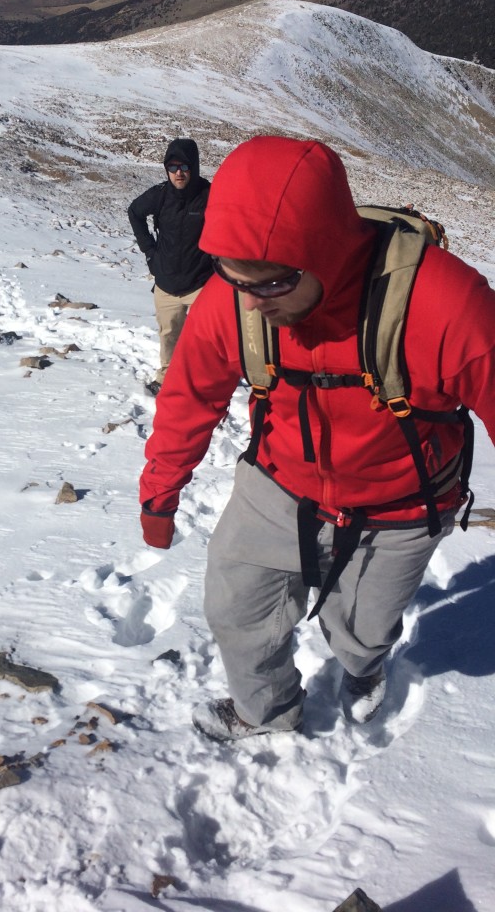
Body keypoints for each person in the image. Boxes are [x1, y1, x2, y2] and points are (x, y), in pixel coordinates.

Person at [139, 135, 495, 741]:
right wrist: (159, 494)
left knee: (361, 626)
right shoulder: (238, 295)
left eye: (271, 283)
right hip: (278, 482)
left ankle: (361, 668)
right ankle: (266, 713)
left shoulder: (447, 305)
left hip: (401, 504)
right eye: (233, 277)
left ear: (322, 254)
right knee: (236, 610)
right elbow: (189, 394)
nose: (249, 302)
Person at [128, 138, 212, 396]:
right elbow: (135, 212)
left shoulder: (209, 194)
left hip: (201, 285)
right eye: (172, 166)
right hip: (166, 283)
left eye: (184, 166)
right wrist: (150, 254)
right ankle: (166, 379)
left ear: (194, 167)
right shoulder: (161, 195)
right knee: (169, 336)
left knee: (206, 341)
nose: (178, 172)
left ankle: (205, 386)